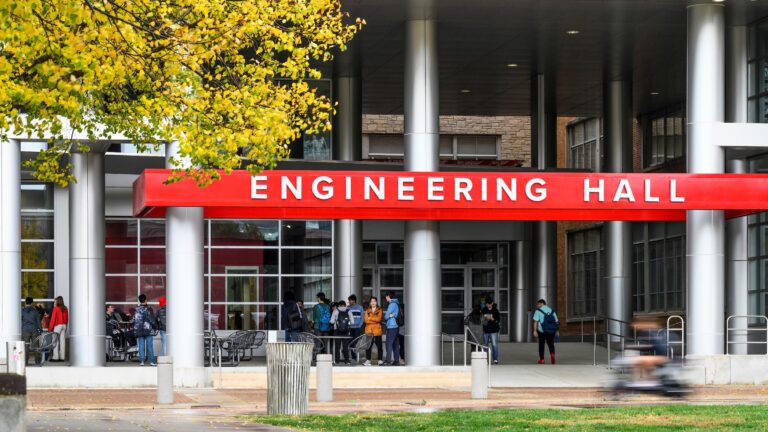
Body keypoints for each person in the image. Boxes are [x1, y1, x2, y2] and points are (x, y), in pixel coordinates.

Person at [532, 298, 559, 365]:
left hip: (542, 331)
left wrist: (535, 331)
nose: (537, 305)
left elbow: (535, 321)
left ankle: (542, 360)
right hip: (551, 330)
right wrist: (557, 331)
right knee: (551, 344)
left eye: (538, 304)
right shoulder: (552, 311)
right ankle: (552, 354)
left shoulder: (538, 311)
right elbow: (556, 322)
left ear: (542, 303)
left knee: (541, 344)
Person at [133, 294, 156, 366]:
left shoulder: (137, 309)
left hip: (139, 329)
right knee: (149, 346)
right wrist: (155, 326)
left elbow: (134, 319)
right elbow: (152, 319)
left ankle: (142, 361)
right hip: (148, 329)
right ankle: (151, 361)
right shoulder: (149, 308)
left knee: (141, 345)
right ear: (145, 300)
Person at [363, 296, 384, 366]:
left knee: (379, 347)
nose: (373, 303)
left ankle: (380, 360)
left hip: (377, 331)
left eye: (374, 301)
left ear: (376, 302)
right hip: (369, 331)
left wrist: (370, 318)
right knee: (368, 346)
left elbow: (379, 319)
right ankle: (368, 360)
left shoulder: (379, 310)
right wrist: (374, 319)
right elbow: (366, 320)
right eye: (372, 301)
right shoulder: (367, 311)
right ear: (370, 303)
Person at [330, 300, 352, 364]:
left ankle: (337, 361)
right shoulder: (349, 311)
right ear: (345, 305)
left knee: (337, 347)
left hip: (337, 330)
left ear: (338, 305)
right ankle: (347, 360)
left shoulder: (335, 311)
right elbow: (352, 322)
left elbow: (331, 321)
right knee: (345, 346)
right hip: (346, 331)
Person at [21, 297, 42, 364]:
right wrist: (40, 330)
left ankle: (25, 362)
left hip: (25, 330)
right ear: (32, 303)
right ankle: (38, 361)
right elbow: (38, 322)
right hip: (34, 330)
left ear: (25, 302)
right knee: (36, 346)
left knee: (25, 346)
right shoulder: (35, 311)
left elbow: (20, 321)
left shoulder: (22, 311)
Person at [48, 296, 68, 361]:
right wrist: (66, 327)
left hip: (58, 326)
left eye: (55, 301)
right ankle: (62, 357)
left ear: (58, 301)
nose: (55, 302)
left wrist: (50, 328)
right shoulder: (65, 308)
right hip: (64, 325)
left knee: (55, 341)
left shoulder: (56, 308)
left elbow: (53, 319)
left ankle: (55, 357)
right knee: (62, 342)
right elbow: (67, 319)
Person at [481, 298, 501, 364]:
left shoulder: (495, 310)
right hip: (485, 330)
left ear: (492, 303)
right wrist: (485, 318)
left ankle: (495, 359)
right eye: (487, 304)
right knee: (485, 345)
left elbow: (498, 320)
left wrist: (493, 319)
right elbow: (481, 319)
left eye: (489, 304)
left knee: (494, 345)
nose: (488, 305)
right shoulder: (484, 310)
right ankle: (484, 359)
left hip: (493, 330)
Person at [383, 291, 401, 366]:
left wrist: (388, 315)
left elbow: (386, 316)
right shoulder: (396, 303)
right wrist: (391, 315)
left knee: (389, 344)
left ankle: (388, 361)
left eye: (386, 297)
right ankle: (396, 361)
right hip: (396, 326)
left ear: (388, 296)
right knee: (395, 344)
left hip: (391, 326)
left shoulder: (392, 304)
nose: (385, 298)